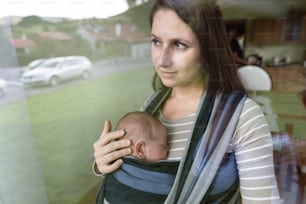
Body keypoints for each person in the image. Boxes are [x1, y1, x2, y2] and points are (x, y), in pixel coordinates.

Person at [93, 0, 281, 203]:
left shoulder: (242, 117)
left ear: (208, 48)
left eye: (179, 44)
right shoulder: (150, 106)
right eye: (156, 41)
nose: (161, 60)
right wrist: (105, 164)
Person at [96, 111, 178, 204]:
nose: (168, 148)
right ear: (141, 150)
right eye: (164, 145)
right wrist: (101, 165)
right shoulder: (153, 104)